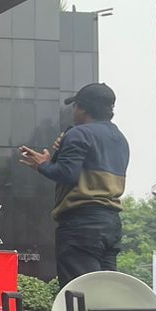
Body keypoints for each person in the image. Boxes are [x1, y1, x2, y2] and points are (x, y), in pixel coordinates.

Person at [18, 80, 128, 281]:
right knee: (106, 288)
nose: (73, 112)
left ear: (83, 108)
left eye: (75, 106)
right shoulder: (119, 138)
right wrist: (53, 161)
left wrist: (42, 165)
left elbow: (67, 174)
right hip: (111, 223)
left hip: (81, 223)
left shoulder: (79, 133)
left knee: (80, 290)